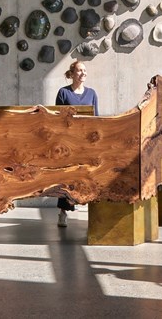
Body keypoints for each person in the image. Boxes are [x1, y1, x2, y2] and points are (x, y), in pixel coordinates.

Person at [53, 61, 99, 227]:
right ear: (72, 74)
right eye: (79, 70)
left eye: (85, 71)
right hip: (68, 142)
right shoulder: (63, 93)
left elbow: (96, 118)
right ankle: (63, 212)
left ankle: (83, 204)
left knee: (86, 175)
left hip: (85, 141)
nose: (83, 73)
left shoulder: (92, 93)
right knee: (66, 176)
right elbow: (57, 118)